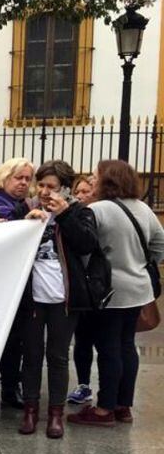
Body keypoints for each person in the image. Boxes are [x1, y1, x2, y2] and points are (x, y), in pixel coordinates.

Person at [69, 160, 164, 427]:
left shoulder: (97, 210)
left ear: (107, 180)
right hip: (139, 289)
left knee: (108, 348)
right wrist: (141, 264)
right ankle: (124, 406)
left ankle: (104, 409)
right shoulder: (143, 208)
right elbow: (160, 244)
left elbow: (85, 247)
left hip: (109, 291)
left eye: (95, 176)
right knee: (127, 346)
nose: (92, 180)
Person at [17, 161, 97, 439]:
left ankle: (55, 414)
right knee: (31, 354)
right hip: (32, 297)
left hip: (64, 298)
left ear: (64, 188)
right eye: (40, 185)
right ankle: (30, 410)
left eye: (51, 187)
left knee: (58, 356)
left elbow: (86, 244)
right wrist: (24, 226)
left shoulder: (80, 211)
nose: (44, 191)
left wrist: (64, 215)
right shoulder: (25, 208)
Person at [0, 157, 35, 409]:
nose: (23, 183)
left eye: (27, 179)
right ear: (5, 178)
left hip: (17, 284)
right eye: (18, 177)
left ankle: (11, 387)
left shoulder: (22, 205)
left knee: (16, 341)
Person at [68, 174, 98, 406]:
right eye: (76, 192)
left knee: (106, 341)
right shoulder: (73, 215)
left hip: (100, 286)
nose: (80, 196)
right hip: (81, 287)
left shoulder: (97, 214)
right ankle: (84, 384)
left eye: (85, 192)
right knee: (83, 339)